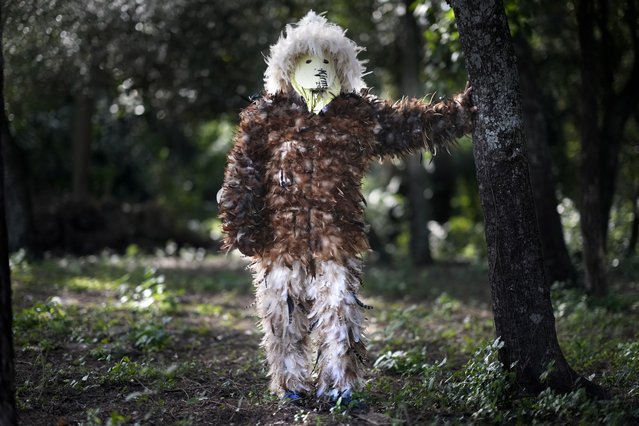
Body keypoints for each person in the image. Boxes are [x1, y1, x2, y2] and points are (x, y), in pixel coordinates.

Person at [218, 10, 474, 405]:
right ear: (289, 68)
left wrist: (458, 113)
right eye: (308, 62)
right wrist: (241, 224)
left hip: (336, 237)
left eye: (327, 63)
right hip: (278, 239)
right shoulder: (265, 116)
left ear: (342, 69)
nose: (319, 71)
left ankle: (339, 385)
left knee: (339, 311)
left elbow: (408, 123)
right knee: (283, 315)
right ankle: (290, 384)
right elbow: (243, 171)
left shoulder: (357, 114)